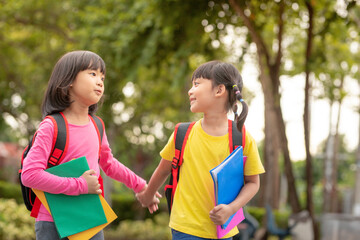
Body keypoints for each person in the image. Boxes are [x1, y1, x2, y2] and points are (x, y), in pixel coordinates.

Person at [21, 50, 159, 240]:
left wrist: (141, 186)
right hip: (53, 221)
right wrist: (80, 185)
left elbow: (109, 164)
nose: (100, 81)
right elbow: (29, 175)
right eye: (93, 74)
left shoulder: (97, 125)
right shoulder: (51, 126)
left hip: (88, 217)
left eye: (102, 76)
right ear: (69, 80)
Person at [136, 60, 265, 239]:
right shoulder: (182, 133)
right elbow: (163, 169)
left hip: (223, 231)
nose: (190, 90)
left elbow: (253, 182)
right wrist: (148, 195)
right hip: (185, 228)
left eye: (196, 84)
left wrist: (231, 209)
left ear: (219, 90)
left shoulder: (242, 138)